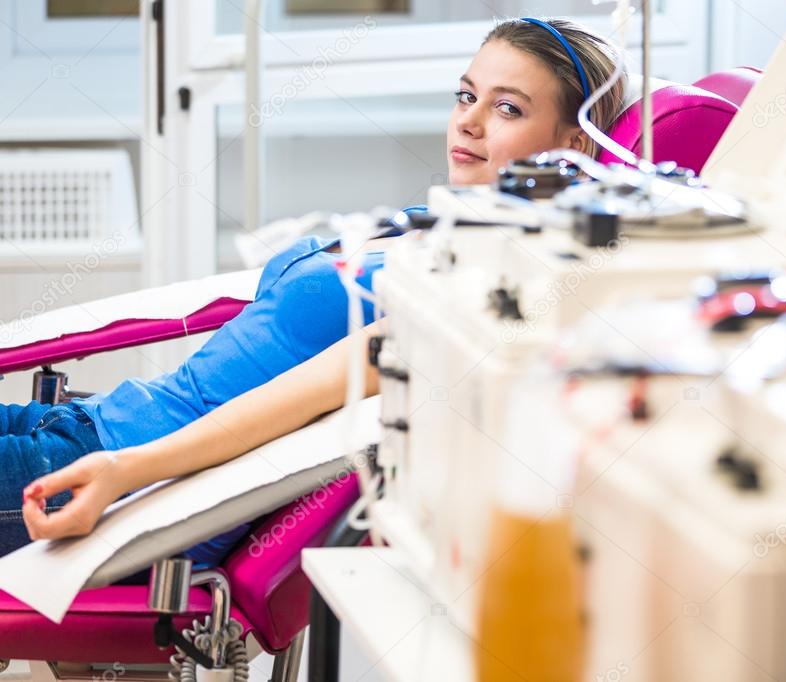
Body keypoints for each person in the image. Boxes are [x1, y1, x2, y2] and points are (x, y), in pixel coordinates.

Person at [14, 17, 626, 550]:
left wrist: (122, 472)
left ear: (576, 145)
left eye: (507, 108)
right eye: (465, 95)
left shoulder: (481, 280)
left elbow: (305, 395)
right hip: (94, 425)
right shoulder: (428, 225)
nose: (467, 122)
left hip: (120, 477)